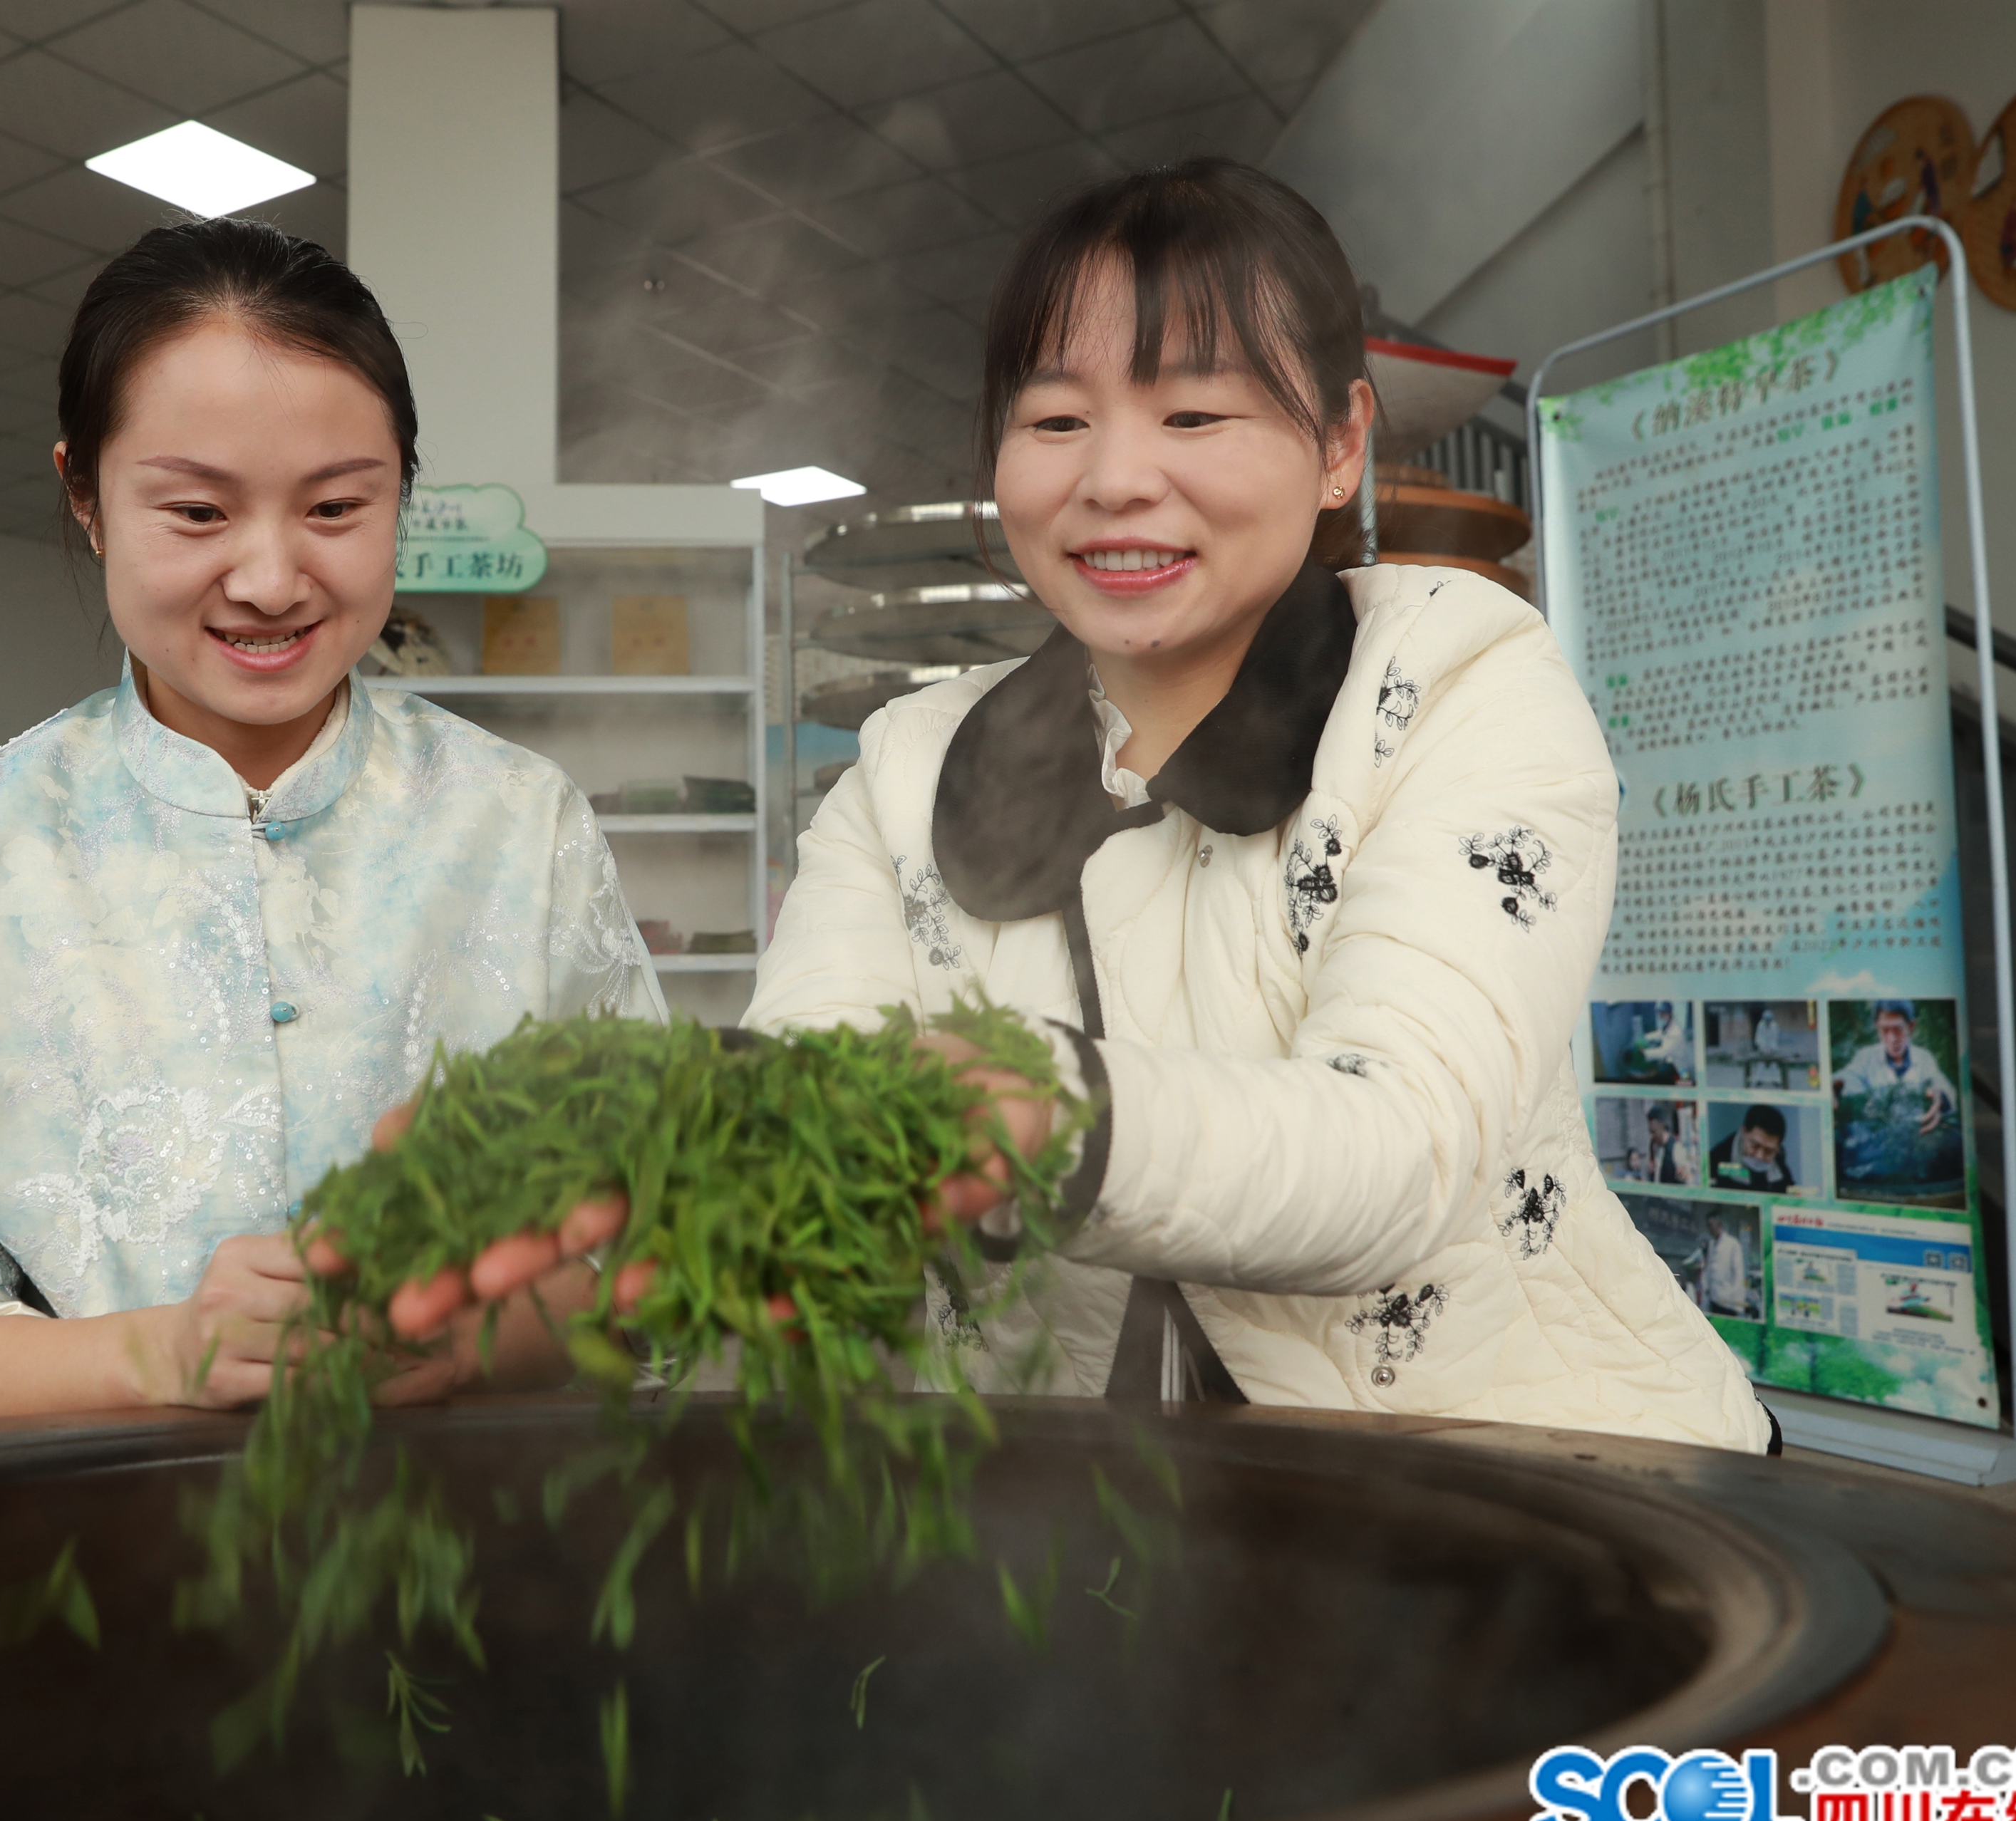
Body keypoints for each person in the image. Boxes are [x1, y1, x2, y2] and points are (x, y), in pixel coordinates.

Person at [415, 161, 1772, 1453]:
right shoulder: (909, 768)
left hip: (1526, 1497)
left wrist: (1046, 1113)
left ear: (1340, 442)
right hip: (1086, 1524)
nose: (1114, 478)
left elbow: (1402, 1151)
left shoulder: (1454, 686)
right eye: (1057, 421)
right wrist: (637, 1187)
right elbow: (803, 1117)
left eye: (1195, 416)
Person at [0, 219, 661, 1428]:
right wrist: (160, 1354)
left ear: (402, 492)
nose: (270, 579)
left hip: (479, 1525)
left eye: (336, 507)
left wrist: (469, 1336)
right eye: (197, 512)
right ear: (86, 496)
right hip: (95, 1534)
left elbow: (648, 1250)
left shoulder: (519, 825)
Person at [1835, 1000, 1957, 1135]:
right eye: (1885, 1030)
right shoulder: (1866, 1057)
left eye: (1898, 1029)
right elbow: (1848, 1075)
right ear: (1877, 1029)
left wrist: (1940, 1095)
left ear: (1911, 1027)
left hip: (1915, 1133)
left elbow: (1941, 1084)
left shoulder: (1924, 1058)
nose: (1892, 1038)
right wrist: (1835, 1086)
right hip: (1877, 1135)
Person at [1709, 1104, 1798, 1193]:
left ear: (1778, 1148)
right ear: (1744, 1133)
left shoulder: (1779, 1160)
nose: (1760, 1156)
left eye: (1769, 1151)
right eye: (1755, 1146)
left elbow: (1790, 1191)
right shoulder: (1715, 1161)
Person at [1698, 1213, 1752, 1318]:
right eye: (1708, 1226)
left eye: (1711, 1225)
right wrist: (1706, 1287)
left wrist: (1736, 1301)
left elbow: (1739, 1274)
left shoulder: (1732, 1244)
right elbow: (1708, 1268)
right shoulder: (1712, 1244)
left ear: (1718, 1224)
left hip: (1728, 1301)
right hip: (1713, 1298)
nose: (1709, 1229)